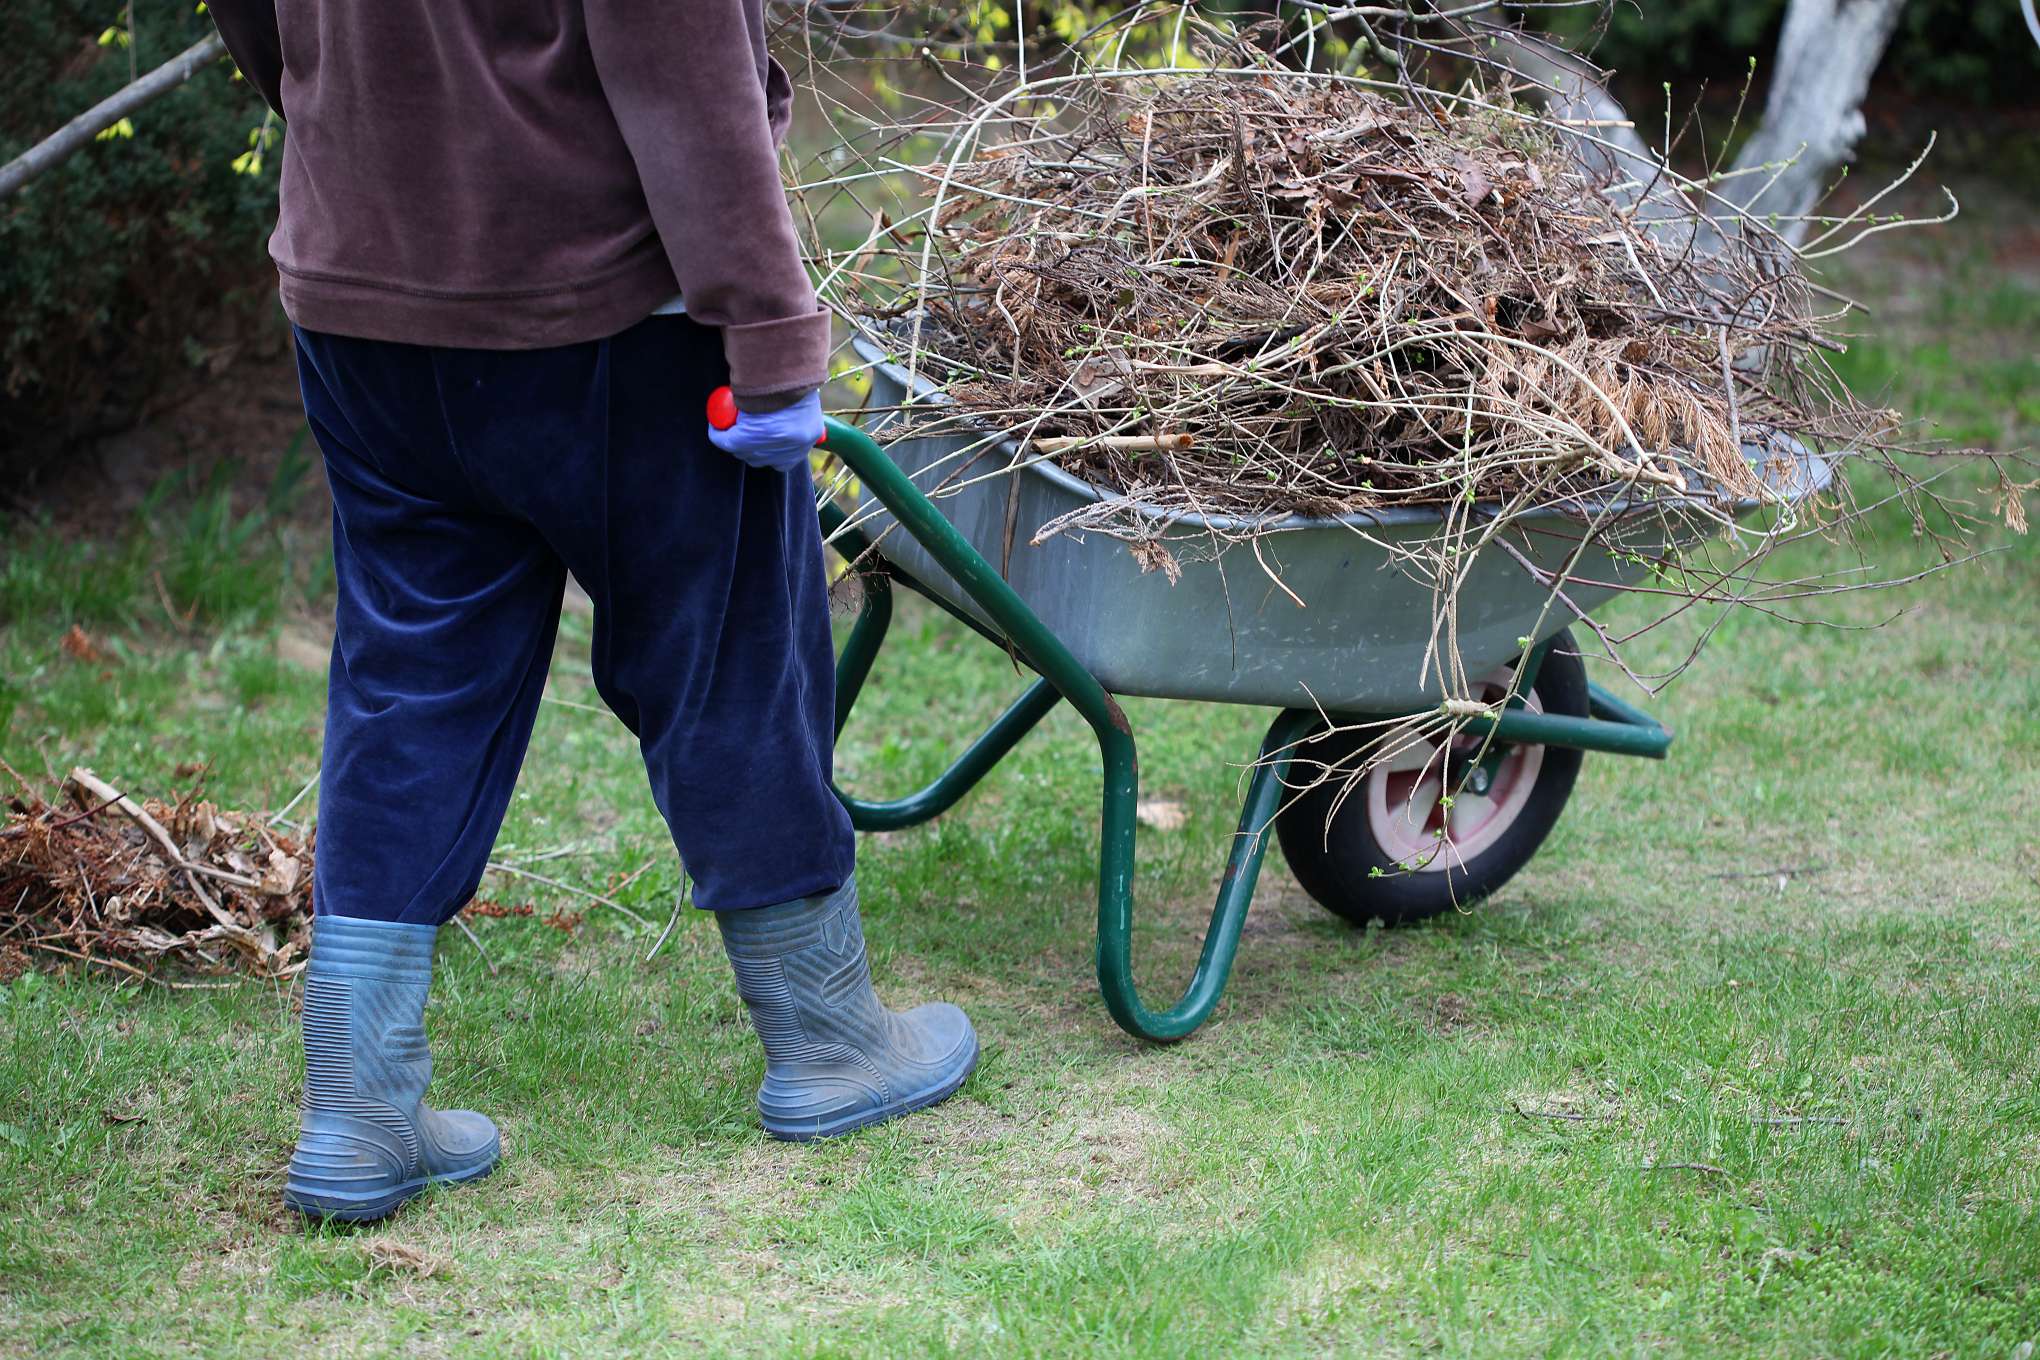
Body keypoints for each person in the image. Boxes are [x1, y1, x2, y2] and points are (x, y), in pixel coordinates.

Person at [204, 0, 977, 1224]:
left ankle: (358, 1110)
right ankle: (830, 1039)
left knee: (409, 676)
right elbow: (683, 63)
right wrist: (771, 335)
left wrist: (369, 149)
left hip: (365, 296)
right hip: (601, 303)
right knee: (724, 647)